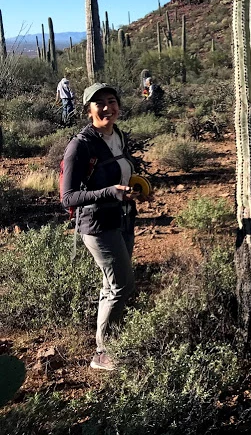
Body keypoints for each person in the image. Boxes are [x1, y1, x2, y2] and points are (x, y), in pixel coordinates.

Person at [60, 83, 142, 371]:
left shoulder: (118, 135)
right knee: (122, 285)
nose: (108, 107)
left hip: (123, 218)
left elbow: (121, 172)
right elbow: (68, 197)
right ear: (88, 110)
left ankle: (110, 344)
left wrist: (136, 189)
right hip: (97, 224)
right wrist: (110, 192)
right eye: (99, 103)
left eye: (112, 101)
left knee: (112, 286)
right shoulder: (80, 145)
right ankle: (103, 353)